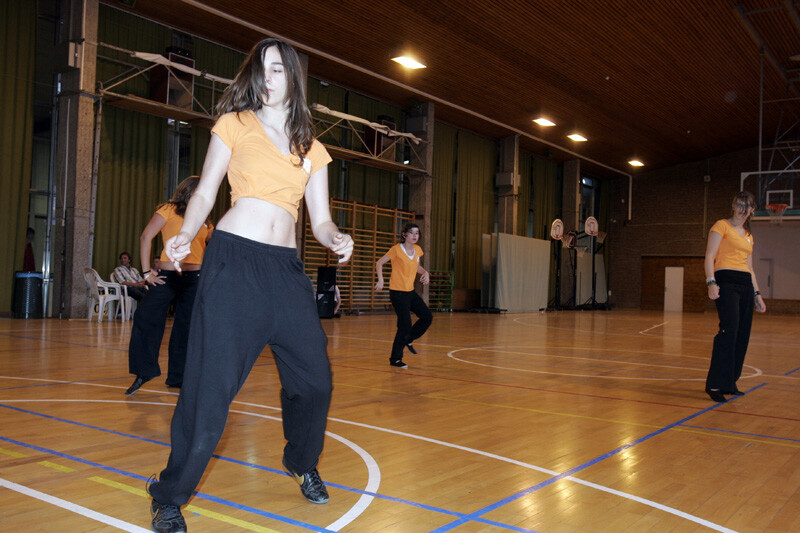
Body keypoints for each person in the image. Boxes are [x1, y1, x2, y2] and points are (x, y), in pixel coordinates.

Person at [145, 38, 353, 533]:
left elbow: (320, 220)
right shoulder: (234, 124)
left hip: (286, 272)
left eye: (278, 69)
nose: (268, 78)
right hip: (234, 265)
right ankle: (169, 495)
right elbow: (205, 191)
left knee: (315, 383)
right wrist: (187, 234)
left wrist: (336, 238)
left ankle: (301, 462)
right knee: (210, 389)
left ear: (293, 77)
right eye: (261, 69)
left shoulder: (312, 148)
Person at [124, 176, 213, 396]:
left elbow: (213, 242)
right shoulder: (169, 209)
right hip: (167, 277)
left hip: (195, 279)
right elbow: (146, 237)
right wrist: (147, 273)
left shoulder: (204, 217)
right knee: (145, 317)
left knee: (186, 327)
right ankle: (145, 371)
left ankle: (178, 377)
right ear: (190, 191)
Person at [704, 191, 766, 402]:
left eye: (746, 206)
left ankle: (729, 383)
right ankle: (714, 384)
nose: (742, 209)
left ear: (752, 210)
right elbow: (710, 255)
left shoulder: (749, 236)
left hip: (745, 285)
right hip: (726, 281)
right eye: (739, 204)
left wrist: (757, 294)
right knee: (728, 331)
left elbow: (750, 268)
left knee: (741, 335)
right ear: (732, 205)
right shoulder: (721, 226)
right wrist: (711, 282)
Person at [374, 223, 432, 369]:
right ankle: (395, 359)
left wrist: (425, 272)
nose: (414, 235)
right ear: (405, 234)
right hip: (398, 293)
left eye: (417, 233)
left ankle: (409, 338)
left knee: (427, 316)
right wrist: (381, 280)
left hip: (410, 292)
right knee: (405, 325)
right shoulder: (396, 250)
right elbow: (379, 263)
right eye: (411, 233)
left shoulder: (418, 250)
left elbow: (416, 266)